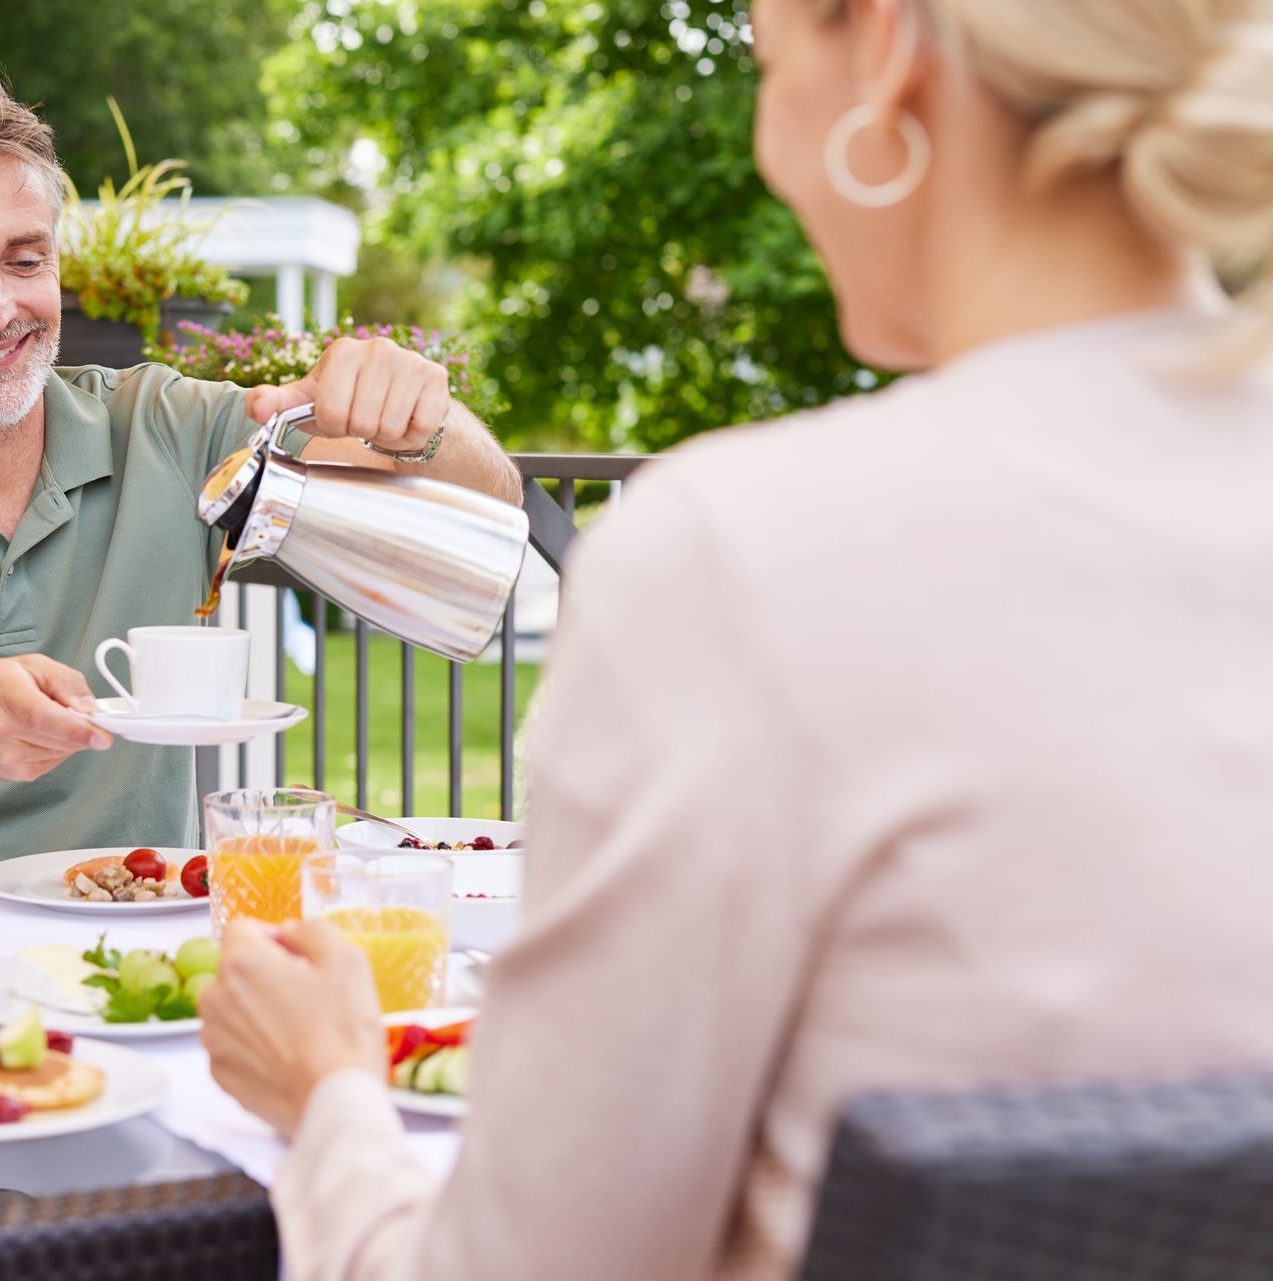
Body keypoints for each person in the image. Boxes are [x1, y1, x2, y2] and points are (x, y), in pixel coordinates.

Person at [198, 0, 1273, 1277]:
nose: (770, 143)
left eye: (766, 67)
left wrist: (328, 1086)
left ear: (881, 50)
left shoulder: (741, 554)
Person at [0, 67, 522, 879]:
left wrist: (423, 419)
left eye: (24, 260)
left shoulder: (169, 429)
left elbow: (485, 507)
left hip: (143, 958)